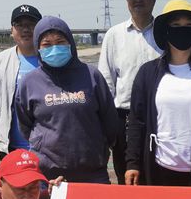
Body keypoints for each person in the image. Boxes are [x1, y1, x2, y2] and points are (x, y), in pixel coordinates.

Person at [125, 0, 191, 186]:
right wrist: (132, 163)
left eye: (189, 25)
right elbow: (136, 121)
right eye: (175, 25)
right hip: (158, 167)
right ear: (166, 30)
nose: (182, 30)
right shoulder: (147, 73)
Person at [15, 16, 119, 183]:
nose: (54, 48)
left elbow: (109, 121)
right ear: (38, 47)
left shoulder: (91, 75)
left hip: (93, 173)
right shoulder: (30, 82)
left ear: (70, 43)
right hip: (49, 175)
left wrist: (98, 148)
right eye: (47, 44)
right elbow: (25, 125)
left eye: (60, 42)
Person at [98, 0, 163, 184]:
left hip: (161, 115)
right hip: (123, 116)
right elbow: (106, 82)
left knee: (158, 173)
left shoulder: (164, 32)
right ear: (126, 0)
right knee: (126, 175)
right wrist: (107, 124)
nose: (138, 0)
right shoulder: (114, 35)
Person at [0, 4, 42, 159]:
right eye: (19, 25)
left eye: (31, 24)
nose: (26, 29)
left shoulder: (52, 59)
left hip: (49, 150)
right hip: (12, 150)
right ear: (12, 30)